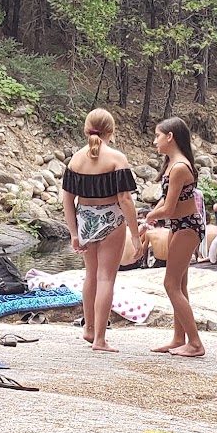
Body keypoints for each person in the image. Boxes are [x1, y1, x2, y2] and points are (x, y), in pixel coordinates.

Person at [59, 108, 140, 352]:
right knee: (106, 277)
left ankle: (89, 328)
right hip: (111, 218)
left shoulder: (75, 159)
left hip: (85, 218)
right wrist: (135, 235)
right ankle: (100, 340)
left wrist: (74, 233)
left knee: (91, 275)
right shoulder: (117, 159)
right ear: (111, 132)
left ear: (86, 129)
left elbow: (67, 200)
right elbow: (125, 199)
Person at [140, 116, 205, 357]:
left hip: (187, 227)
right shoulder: (172, 164)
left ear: (170, 137)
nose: (155, 140)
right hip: (179, 226)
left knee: (170, 284)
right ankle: (179, 338)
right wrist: (153, 215)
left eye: (157, 135)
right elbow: (165, 202)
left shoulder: (179, 167)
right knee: (179, 284)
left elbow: (168, 208)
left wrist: (148, 217)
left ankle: (196, 343)